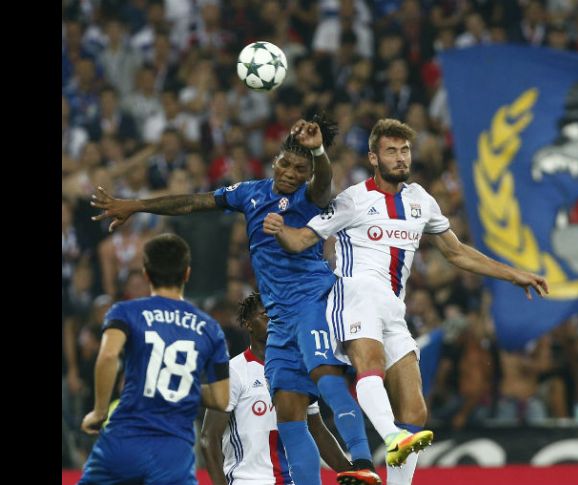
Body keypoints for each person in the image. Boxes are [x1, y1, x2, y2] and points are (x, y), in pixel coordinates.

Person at [90, 116, 380, 485]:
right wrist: (137, 205)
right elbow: (194, 203)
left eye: (300, 169)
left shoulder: (310, 198)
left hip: (313, 302)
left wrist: (319, 151)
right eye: (286, 164)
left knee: (326, 376)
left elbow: (324, 183)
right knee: (291, 412)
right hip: (280, 317)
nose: (290, 173)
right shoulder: (250, 193)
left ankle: (362, 460)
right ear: (275, 161)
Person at [263, 118, 549, 484]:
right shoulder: (353, 199)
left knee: (415, 410)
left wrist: (513, 274)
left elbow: (457, 252)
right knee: (370, 367)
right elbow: (303, 239)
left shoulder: (421, 200)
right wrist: (279, 230)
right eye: (391, 151)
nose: (400, 158)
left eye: (405, 151)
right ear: (373, 157)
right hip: (355, 293)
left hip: (393, 308)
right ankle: (390, 435)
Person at [78, 233, 231, 484]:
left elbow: (108, 355)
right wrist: (179, 383)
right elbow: (222, 399)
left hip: (123, 440)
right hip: (173, 450)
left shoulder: (125, 312)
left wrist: (99, 412)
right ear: (187, 274)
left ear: (146, 274)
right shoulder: (210, 329)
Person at [201, 290, 359, 485]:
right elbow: (209, 438)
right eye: (265, 315)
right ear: (248, 324)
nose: (274, 320)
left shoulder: (298, 371)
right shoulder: (233, 372)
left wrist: (352, 473)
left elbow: (317, 431)